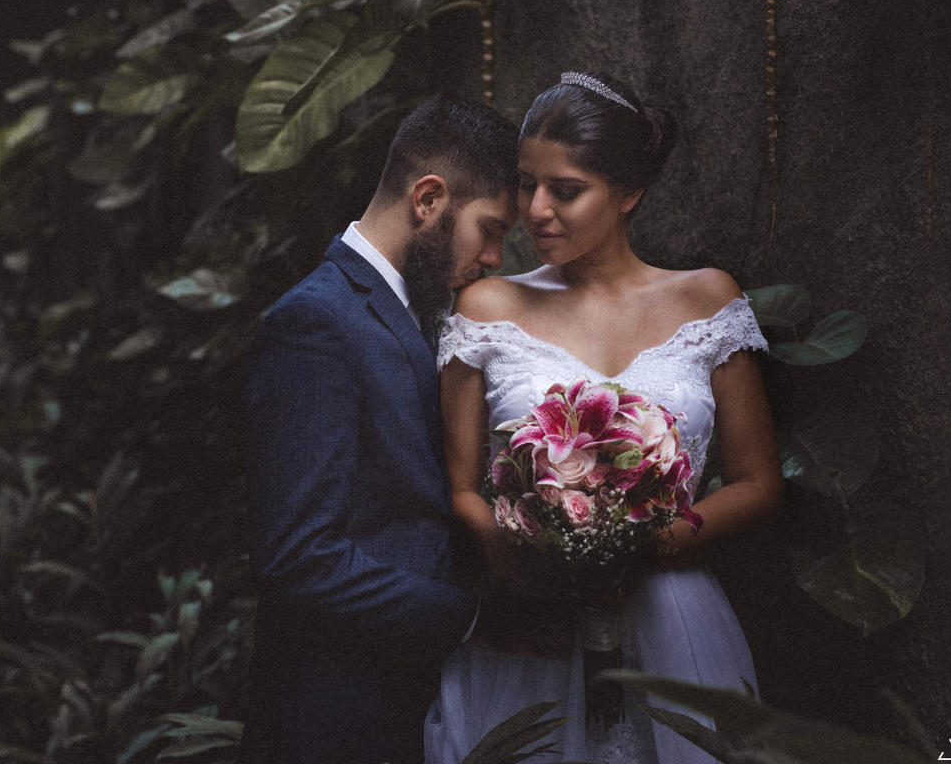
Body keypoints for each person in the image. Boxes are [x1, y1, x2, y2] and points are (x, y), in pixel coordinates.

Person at [424, 72, 786, 763]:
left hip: (676, 619)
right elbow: (460, 486)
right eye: (527, 183)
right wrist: (526, 555)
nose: (536, 210)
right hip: (533, 621)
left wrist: (644, 544)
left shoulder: (708, 301)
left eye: (564, 190)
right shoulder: (486, 309)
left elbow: (759, 484)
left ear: (629, 193)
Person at [238, 95, 521, 764]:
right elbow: (299, 557)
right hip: (341, 717)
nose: (496, 258)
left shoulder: (419, 317)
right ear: (428, 199)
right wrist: (475, 619)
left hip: (415, 706)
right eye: (490, 229)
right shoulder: (315, 322)